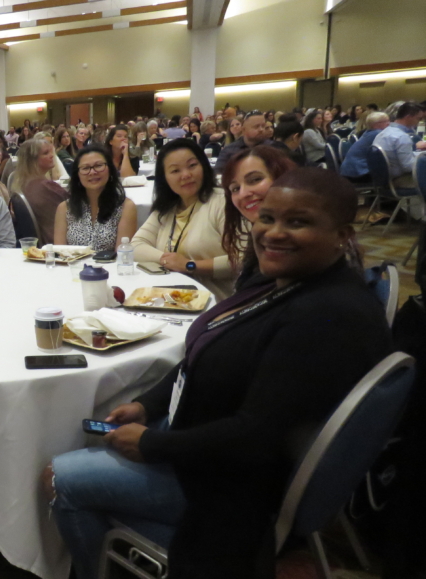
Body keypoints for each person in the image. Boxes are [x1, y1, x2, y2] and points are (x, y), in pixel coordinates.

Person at [45, 167, 392, 579]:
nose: (274, 232)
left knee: (60, 477)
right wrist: (147, 403)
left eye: (298, 222)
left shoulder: (325, 317)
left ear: (342, 234)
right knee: (97, 437)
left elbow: (255, 435)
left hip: (230, 487)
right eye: (267, 218)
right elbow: (205, 355)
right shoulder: (285, 282)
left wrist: (154, 445)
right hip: (210, 445)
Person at [132, 139, 233, 299]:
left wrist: (189, 265)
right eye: (175, 171)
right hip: (173, 297)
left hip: (217, 301)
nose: (186, 175)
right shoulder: (167, 208)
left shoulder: (223, 202)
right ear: (164, 178)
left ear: (204, 166)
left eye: (192, 165)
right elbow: (136, 246)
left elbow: (241, 260)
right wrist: (168, 260)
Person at [221, 145, 297, 290]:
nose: (243, 194)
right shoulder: (258, 237)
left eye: (255, 180)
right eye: (235, 188)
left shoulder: (300, 243)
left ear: (283, 177)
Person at [53, 146, 137, 252]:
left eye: (99, 166)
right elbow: (60, 253)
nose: (92, 172)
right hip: (72, 267)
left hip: (110, 267)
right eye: (85, 168)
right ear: (77, 175)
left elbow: (123, 256)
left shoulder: (125, 207)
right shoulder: (64, 208)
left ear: (110, 170)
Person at [10, 139, 69, 244]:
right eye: (46, 153)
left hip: (44, 241)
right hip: (58, 242)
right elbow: (75, 207)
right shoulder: (46, 186)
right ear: (32, 160)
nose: (52, 155)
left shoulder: (22, 184)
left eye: (51, 152)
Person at [373, 102, 426, 188]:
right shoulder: (401, 137)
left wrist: (421, 155)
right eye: (418, 118)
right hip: (401, 179)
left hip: (385, 178)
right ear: (408, 117)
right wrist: (422, 160)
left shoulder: (384, 132)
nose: (420, 122)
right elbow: (408, 167)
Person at [341, 111, 390, 184]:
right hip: (359, 172)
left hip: (349, 170)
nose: (389, 123)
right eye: (386, 121)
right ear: (376, 124)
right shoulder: (378, 134)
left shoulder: (369, 132)